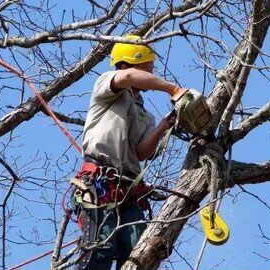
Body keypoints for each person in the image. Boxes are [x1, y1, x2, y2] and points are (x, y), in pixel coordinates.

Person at [73, 35, 188, 270]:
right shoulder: (108, 86)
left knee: (138, 255)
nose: (151, 72)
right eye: (147, 68)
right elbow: (127, 77)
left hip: (128, 192)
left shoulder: (145, 114)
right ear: (127, 64)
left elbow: (141, 152)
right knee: (100, 250)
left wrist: (165, 125)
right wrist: (172, 88)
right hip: (100, 183)